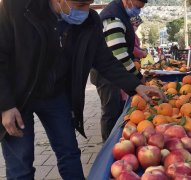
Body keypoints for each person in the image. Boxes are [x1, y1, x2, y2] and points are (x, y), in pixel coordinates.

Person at [0, 0, 166, 179]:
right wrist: (5, 105)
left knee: (69, 152)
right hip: (18, 97)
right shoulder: (16, 8)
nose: (86, 11)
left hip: (56, 96)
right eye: (80, 5)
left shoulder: (90, 21)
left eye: (89, 3)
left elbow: (105, 60)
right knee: (21, 164)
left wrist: (136, 85)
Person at [90, 0, 148, 142]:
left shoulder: (119, 13)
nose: (137, 11)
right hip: (107, 74)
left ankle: (114, 142)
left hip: (113, 72)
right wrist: (137, 77)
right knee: (110, 112)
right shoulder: (114, 18)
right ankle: (108, 146)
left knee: (115, 110)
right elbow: (120, 54)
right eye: (137, 7)